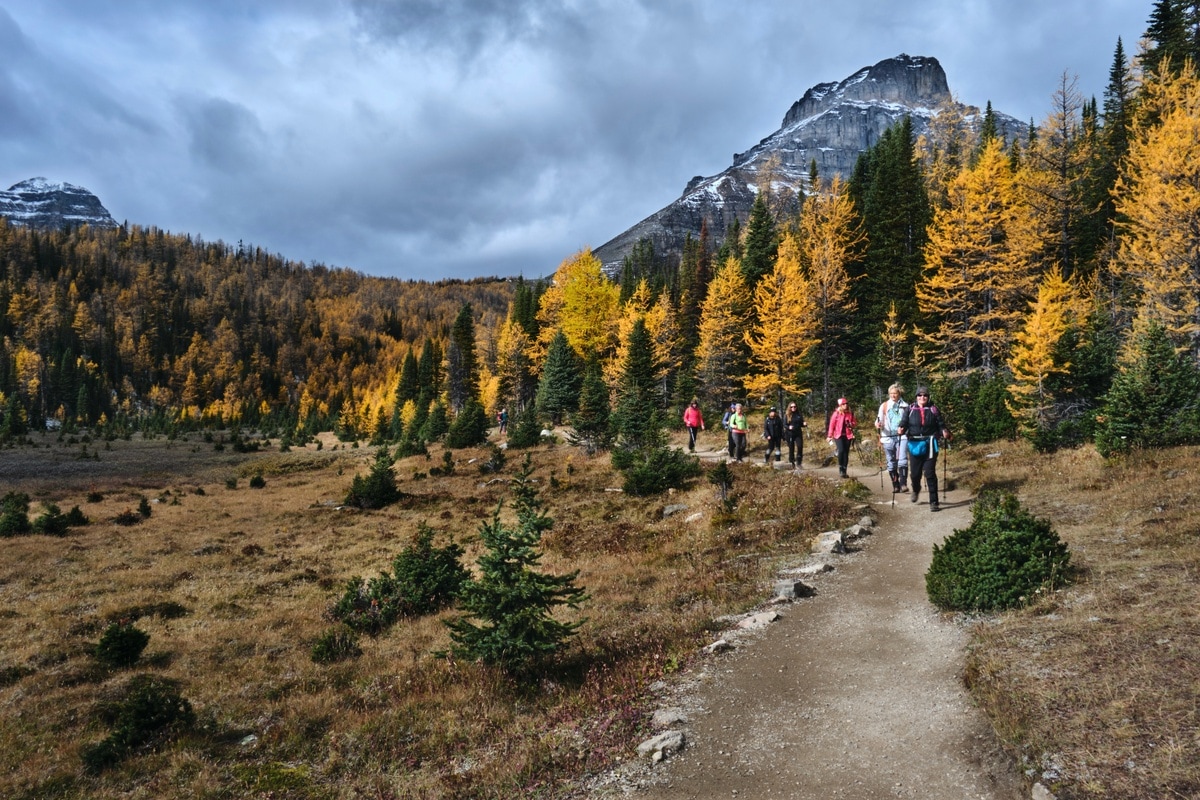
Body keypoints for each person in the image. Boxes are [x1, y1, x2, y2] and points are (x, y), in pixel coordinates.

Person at [897, 386, 950, 512]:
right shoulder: (910, 409)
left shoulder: (933, 409)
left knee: (930, 473)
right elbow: (903, 422)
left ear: (928, 397)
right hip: (914, 444)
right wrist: (901, 428)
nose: (922, 398)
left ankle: (934, 502)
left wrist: (944, 431)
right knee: (915, 474)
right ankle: (916, 489)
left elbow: (940, 424)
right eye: (919, 395)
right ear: (916, 397)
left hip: (930, 444)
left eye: (925, 395)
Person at [874, 383, 909, 493]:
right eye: (891, 393)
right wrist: (878, 424)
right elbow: (878, 420)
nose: (893, 395)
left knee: (902, 459)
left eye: (895, 393)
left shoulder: (905, 406)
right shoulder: (884, 406)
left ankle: (903, 484)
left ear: (899, 393)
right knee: (891, 462)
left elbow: (909, 421)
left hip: (902, 436)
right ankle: (895, 484)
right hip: (887, 436)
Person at [826, 397, 856, 478]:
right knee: (841, 450)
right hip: (838, 435)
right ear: (840, 405)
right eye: (843, 404)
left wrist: (851, 425)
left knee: (846, 453)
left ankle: (844, 471)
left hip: (848, 435)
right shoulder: (836, 413)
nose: (845, 405)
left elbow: (854, 422)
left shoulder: (850, 413)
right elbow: (832, 425)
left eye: (846, 403)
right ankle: (840, 468)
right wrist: (829, 436)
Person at [784, 401, 807, 468]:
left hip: (798, 433)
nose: (793, 408)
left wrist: (804, 424)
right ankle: (792, 462)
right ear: (789, 407)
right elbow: (784, 424)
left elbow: (801, 423)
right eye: (791, 407)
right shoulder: (787, 415)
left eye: (794, 407)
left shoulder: (799, 414)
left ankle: (799, 462)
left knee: (800, 446)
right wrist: (789, 427)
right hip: (789, 434)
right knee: (791, 448)